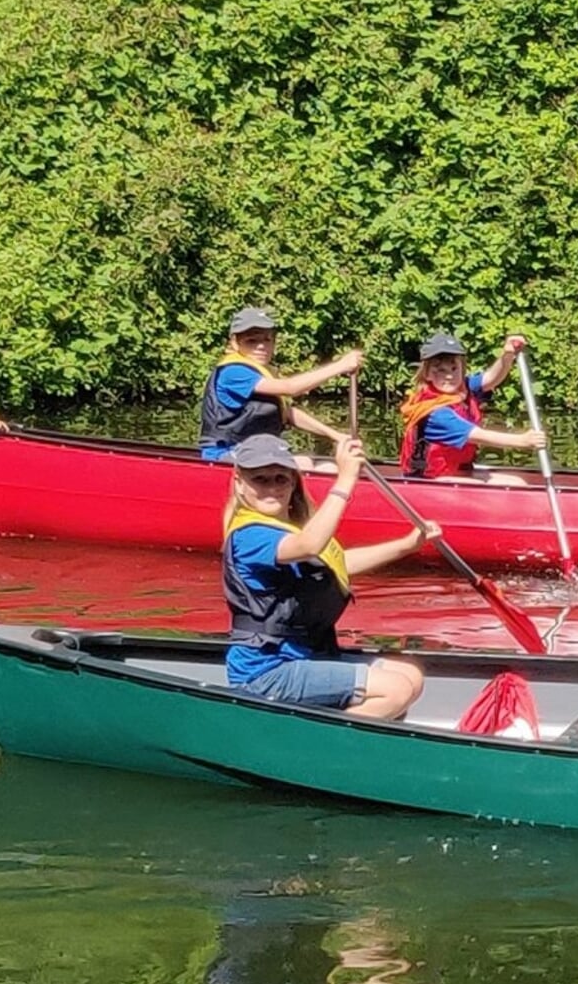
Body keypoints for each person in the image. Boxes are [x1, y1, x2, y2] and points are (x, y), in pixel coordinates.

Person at [223, 432, 435, 717]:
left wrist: (407, 546)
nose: (272, 488)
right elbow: (310, 544)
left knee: (410, 674)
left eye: (280, 479)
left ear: (292, 483)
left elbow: (338, 562)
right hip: (266, 672)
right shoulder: (250, 536)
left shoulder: (289, 529)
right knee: (395, 689)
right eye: (260, 479)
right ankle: (323, 752)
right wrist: (346, 479)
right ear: (239, 484)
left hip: (306, 656)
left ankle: (351, 735)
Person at [199, 305, 363, 465]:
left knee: (328, 466)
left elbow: (289, 414)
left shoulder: (265, 372)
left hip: (257, 451)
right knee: (305, 464)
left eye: (267, 339)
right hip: (225, 453)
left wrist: (337, 436)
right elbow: (290, 388)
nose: (261, 346)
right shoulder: (233, 372)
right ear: (235, 343)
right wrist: (340, 366)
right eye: (251, 341)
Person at [398, 331, 546, 484]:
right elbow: (478, 435)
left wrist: (507, 355)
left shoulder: (463, 388)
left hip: (456, 472)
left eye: (454, 369)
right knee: (514, 485)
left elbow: (491, 379)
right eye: (440, 370)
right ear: (427, 375)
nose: (449, 376)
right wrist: (523, 441)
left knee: (516, 481)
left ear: (463, 369)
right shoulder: (436, 414)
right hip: (429, 481)